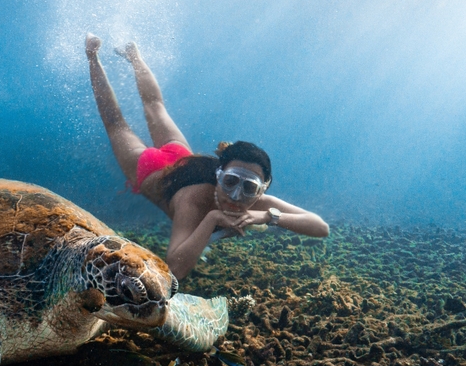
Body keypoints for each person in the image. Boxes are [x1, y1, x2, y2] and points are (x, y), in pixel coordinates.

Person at [85, 34, 329, 280]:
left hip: (181, 157)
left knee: (155, 106)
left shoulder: (257, 204)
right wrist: (212, 218)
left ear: (262, 189)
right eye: (231, 181)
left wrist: (268, 216)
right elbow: (176, 269)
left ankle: (133, 55)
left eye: (249, 187)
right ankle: (92, 55)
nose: (236, 195)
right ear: (219, 175)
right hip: (148, 170)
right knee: (117, 125)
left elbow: (320, 227)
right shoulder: (193, 201)